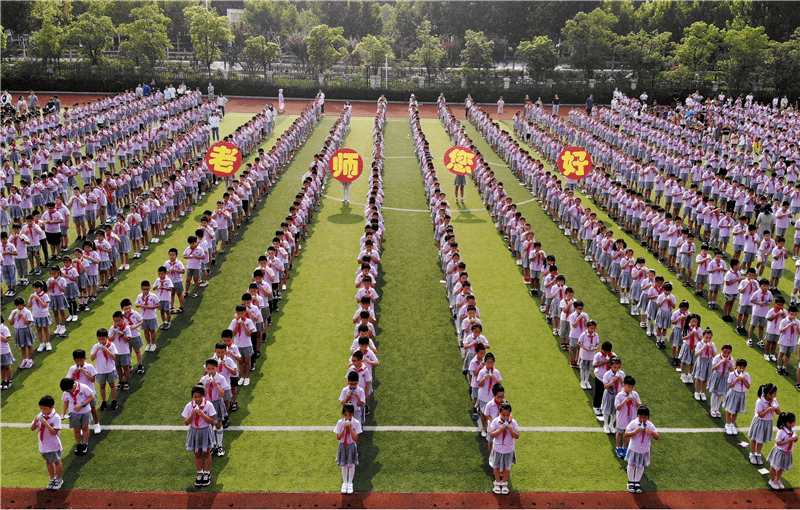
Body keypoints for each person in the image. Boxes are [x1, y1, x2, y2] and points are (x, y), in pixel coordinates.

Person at [182, 385, 215, 488]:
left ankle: (207, 473)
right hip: (194, 432)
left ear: (203, 396)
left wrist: (202, 414)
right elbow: (186, 423)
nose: (197, 399)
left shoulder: (208, 405)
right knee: (197, 453)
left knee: (206, 452)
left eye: (199, 396)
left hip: (205, 431)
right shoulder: (189, 406)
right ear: (192, 397)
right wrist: (191, 415)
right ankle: (200, 472)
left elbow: (211, 421)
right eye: (195, 397)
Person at [623, 405, 660, 494]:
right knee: (631, 465)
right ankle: (631, 482)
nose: (643, 419)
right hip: (634, 448)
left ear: (648, 417)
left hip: (644, 450)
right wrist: (635, 432)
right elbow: (626, 434)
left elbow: (657, 437)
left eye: (645, 417)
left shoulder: (650, 425)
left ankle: (637, 482)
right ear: (638, 416)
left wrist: (651, 432)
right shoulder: (633, 423)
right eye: (641, 417)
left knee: (641, 466)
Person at [65, 348, 101, 435]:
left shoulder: (89, 367)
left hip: (89, 392)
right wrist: (74, 374)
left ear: (85, 358)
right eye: (77, 360)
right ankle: (82, 426)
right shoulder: (72, 368)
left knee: (93, 409)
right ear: (74, 360)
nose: (79, 362)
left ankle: (96, 424)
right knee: (80, 411)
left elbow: (93, 380)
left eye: (81, 359)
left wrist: (85, 373)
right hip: (78, 394)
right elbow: (68, 381)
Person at [32, 395, 63, 490]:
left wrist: (46, 423)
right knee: (48, 462)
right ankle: (52, 479)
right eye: (41, 408)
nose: (42, 410)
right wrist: (35, 422)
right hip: (43, 445)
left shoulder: (56, 417)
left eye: (44, 408)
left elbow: (54, 432)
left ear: (51, 407)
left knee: (56, 462)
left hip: (53, 445)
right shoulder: (40, 415)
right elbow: (32, 429)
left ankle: (59, 479)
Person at [199, 358, 229, 458]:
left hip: (217, 403)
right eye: (208, 369)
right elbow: (200, 396)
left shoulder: (221, 378)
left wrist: (216, 385)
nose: (211, 371)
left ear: (217, 368)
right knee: (209, 425)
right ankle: (213, 444)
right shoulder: (203, 380)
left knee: (218, 424)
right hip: (207, 405)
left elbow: (222, 394)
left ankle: (220, 445)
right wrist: (205, 387)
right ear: (206, 369)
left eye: (213, 369)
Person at [488, 401, 519, 494]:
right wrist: (500, 429)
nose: (505, 417)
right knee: (496, 466)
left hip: (508, 449)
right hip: (498, 449)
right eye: (503, 415)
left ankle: (504, 483)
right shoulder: (495, 421)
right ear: (499, 413)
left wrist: (511, 430)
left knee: (507, 468)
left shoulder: (513, 422)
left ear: (510, 413)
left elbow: (517, 436)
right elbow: (492, 434)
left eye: (507, 415)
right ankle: (497, 482)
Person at [59, 376, 94, 455]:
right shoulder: (66, 392)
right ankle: (79, 444)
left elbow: (92, 397)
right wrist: (63, 413)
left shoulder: (83, 387)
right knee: (76, 430)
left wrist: (82, 404)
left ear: (73, 385)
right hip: (74, 413)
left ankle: (85, 444)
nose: (69, 392)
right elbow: (65, 402)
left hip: (85, 411)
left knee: (85, 427)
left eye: (69, 390)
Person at [749, 383, 780, 465]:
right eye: (774, 393)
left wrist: (777, 409)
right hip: (759, 422)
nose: (776, 395)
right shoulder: (760, 401)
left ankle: (758, 454)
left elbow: (778, 412)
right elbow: (760, 415)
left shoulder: (774, 400)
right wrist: (769, 409)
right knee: (755, 439)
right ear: (768, 394)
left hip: (768, 422)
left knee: (761, 440)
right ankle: (752, 454)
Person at [335, 402, 361, 495]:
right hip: (343, 445)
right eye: (345, 415)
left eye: (349, 415)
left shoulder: (356, 423)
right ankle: (344, 483)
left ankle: (350, 483)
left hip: (351, 445)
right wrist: (343, 429)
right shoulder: (340, 422)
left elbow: (356, 438)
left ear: (353, 414)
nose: (347, 417)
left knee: (351, 464)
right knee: (344, 464)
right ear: (343, 414)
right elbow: (338, 437)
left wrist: (351, 429)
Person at [766, 412, 797, 490]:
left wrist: (795, 440)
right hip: (780, 452)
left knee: (782, 468)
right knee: (774, 467)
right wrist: (788, 440)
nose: (795, 423)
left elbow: (793, 441)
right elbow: (778, 443)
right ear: (788, 423)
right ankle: (772, 480)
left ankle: (777, 480)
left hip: (787, 453)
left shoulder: (792, 431)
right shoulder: (781, 432)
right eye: (793, 422)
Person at [90, 328, 118, 411]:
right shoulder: (96, 346)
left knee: (112, 385)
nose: (101, 341)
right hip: (100, 370)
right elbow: (92, 358)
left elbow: (114, 357)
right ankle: (104, 401)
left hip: (110, 369)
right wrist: (96, 351)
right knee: (102, 386)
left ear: (107, 337)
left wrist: (107, 350)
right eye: (99, 339)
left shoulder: (111, 345)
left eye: (103, 339)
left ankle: (114, 400)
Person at [615, 375, 641, 458]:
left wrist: (635, 400)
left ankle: (624, 447)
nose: (630, 389)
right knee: (620, 432)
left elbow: (640, 406)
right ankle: (618, 447)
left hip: (631, 418)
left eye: (632, 387)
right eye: (629, 387)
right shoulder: (619, 395)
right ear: (624, 385)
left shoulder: (635, 394)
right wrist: (625, 400)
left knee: (627, 433)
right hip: (622, 418)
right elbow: (617, 407)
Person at [708, 344, 734, 419]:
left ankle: (717, 409)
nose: (726, 354)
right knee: (715, 393)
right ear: (722, 350)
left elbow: (732, 371)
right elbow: (713, 368)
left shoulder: (731, 359)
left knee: (720, 394)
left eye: (728, 353)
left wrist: (731, 365)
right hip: (717, 376)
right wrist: (720, 363)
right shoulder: (717, 357)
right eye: (725, 352)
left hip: (725, 377)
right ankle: (712, 409)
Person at [135, 280, 160, 352]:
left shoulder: (153, 296)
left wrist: (150, 307)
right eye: (143, 289)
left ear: (149, 288)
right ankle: (148, 344)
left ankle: (153, 344)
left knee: (152, 331)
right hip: (143, 317)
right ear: (141, 289)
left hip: (152, 316)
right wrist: (142, 306)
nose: (145, 291)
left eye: (147, 289)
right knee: (146, 331)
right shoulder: (139, 296)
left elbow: (158, 304)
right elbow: (136, 304)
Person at [0, 316, 14, 388]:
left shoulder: (4, 328)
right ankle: (4, 380)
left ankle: (9, 380)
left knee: (6, 366)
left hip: (4, 350)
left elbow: (6, 339)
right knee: (1, 367)